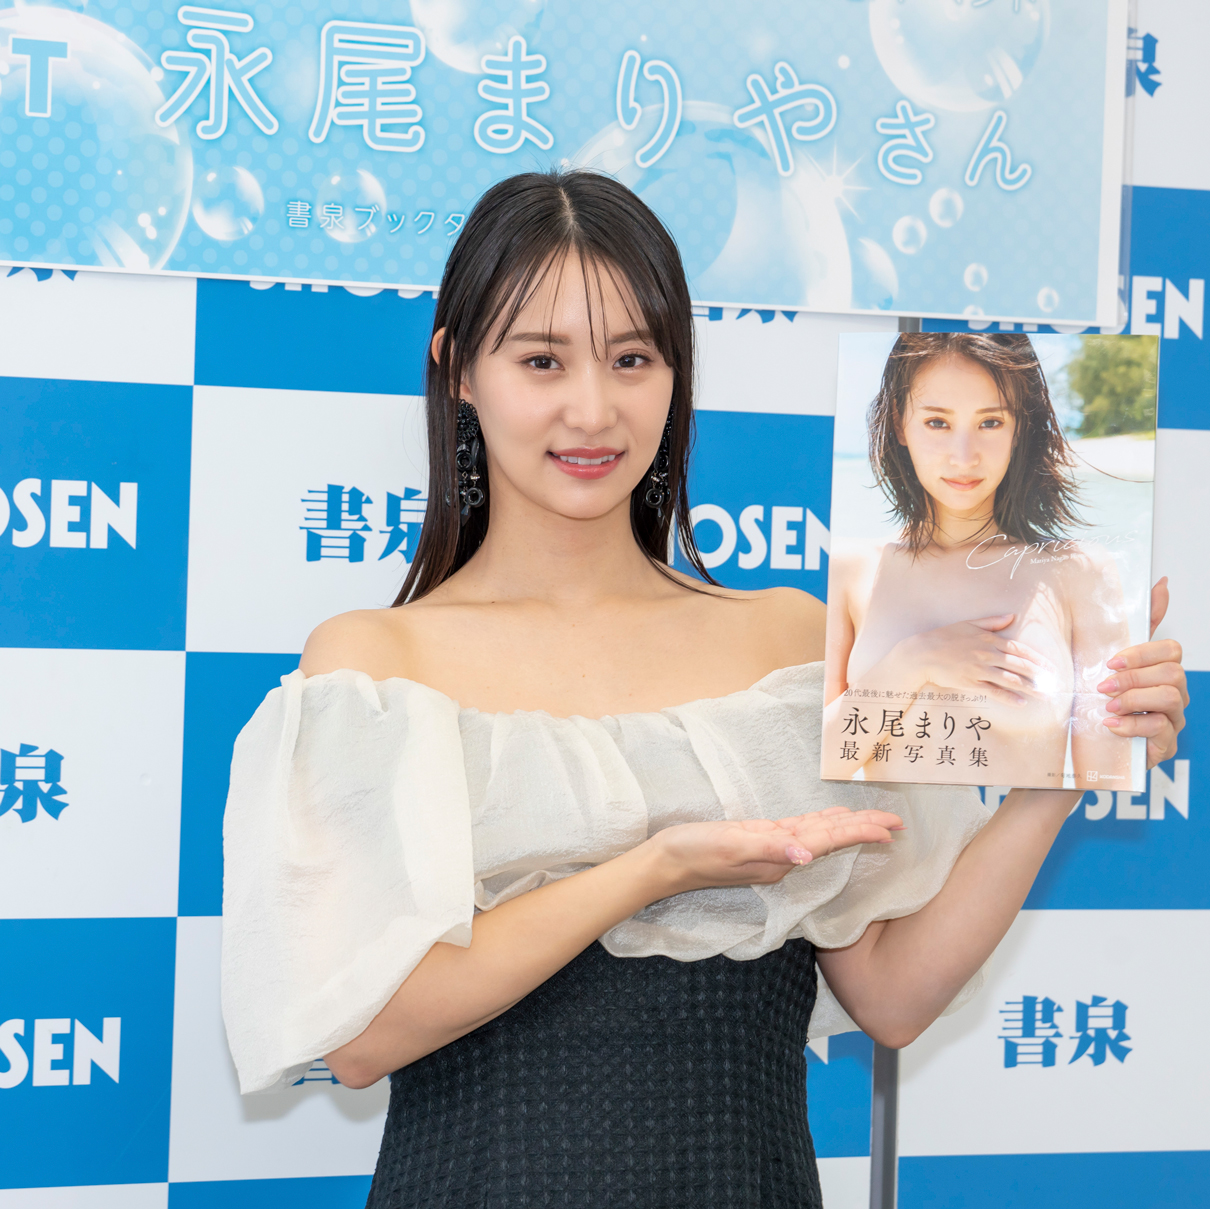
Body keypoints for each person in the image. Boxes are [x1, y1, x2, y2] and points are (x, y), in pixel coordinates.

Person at [220, 171, 1187, 1209]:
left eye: (632, 359)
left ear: (676, 374)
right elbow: (363, 1037)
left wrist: (1062, 768)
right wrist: (652, 868)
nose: (593, 409)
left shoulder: (788, 644)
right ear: (458, 369)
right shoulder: (375, 666)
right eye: (542, 360)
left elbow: (893, 995)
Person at [822, 334, 1142, 788]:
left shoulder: (1077, 571)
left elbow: (1106, 784)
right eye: (937, 422)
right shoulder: (850, 569)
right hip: (887, 837)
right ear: (899, 424)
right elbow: (815, 767)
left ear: (1019, 428)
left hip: (1023, 837)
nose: (964, 456)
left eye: (990, 422)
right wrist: (914, 661)